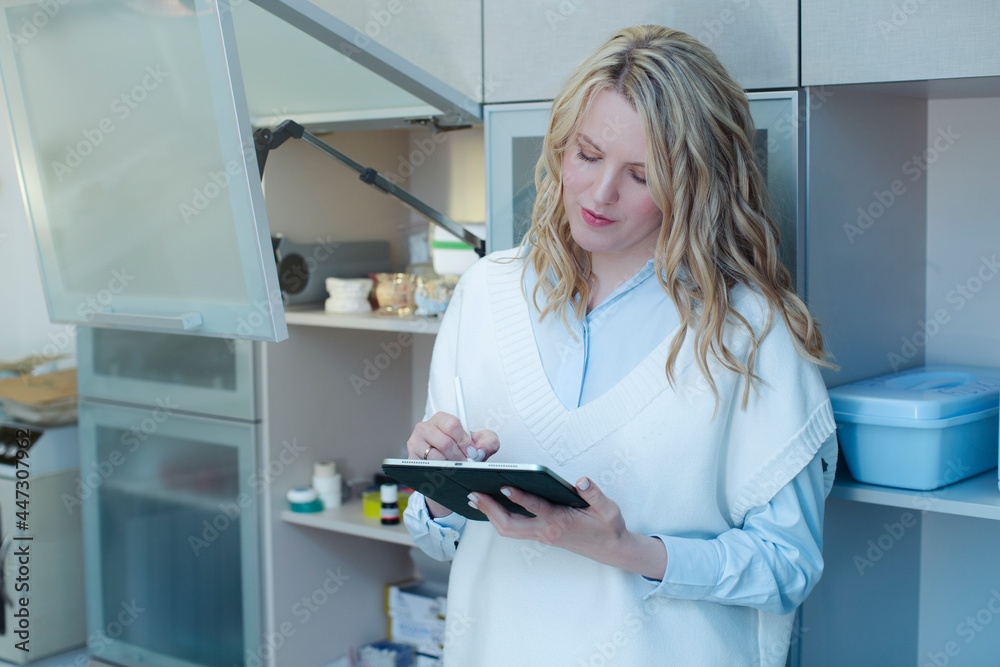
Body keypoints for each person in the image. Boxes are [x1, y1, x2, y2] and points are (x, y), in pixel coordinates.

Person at [403, 25, 837, 666]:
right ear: (559, 149)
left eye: (641, 174)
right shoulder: (485, 296)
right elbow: (437, 540)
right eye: (587, 155)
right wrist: (440, 486)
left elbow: (787, 568)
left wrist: (625, 548)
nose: (601, 194)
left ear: (693, 186)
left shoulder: (748, 334)